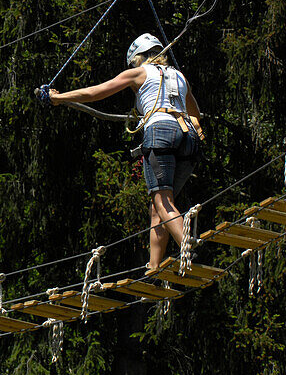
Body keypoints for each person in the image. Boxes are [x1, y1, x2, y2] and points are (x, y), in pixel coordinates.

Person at [46, 34, 204, 270]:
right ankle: (153, 266)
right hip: (188, 137)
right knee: (159, 208)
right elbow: (195, 112)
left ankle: (187, 245)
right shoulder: (180, 76)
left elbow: (96, 92)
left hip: (160, 131)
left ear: (139, 57)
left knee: (163, 201)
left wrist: (58, 98)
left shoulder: (140, 73)